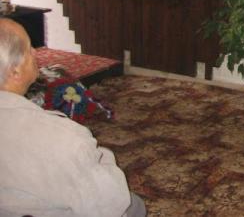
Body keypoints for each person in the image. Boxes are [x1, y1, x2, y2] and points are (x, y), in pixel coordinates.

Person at [0, 18, 145, 217]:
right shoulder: (60, 137)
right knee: (134, 205)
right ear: (15, 71)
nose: (35, 52)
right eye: (28, 48)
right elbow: (108, 205)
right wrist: (101, 157)